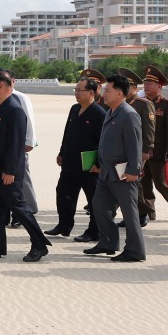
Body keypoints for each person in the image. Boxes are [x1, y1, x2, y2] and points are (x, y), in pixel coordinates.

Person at [0, 70, 51, 262]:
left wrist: (9, 170)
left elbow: (15, 144)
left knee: (20, 209)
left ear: (2, 85)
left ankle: (39, 244)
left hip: (6, 171)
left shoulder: (14, 109)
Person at [87, 74, 146, 262]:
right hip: (106, 172)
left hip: (123, 174)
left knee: (129, 214)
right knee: (99, 206)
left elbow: (135, 145)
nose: (104, 93)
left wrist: (133, 171)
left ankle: (135, 251)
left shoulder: (128, 114)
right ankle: (108, 242)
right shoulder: (111, 111)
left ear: (120, 93)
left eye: (108, 90)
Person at [45, 77, 105, 238]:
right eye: (76, 90)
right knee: (63, 193)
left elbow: (103, 141)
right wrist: (61, 153)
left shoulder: (99, 113)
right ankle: (64, 225)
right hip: (70, 162)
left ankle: (94, 231)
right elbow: (67, 133)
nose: (77, 93)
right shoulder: (74, 109)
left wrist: (98, 163)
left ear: (91, 93)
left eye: (80, 90)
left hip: (88, 165)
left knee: (93, 199)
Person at [108, 68, 155, 231]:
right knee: (124, 184)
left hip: (137, 151)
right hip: (123, 153)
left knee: (136, 185)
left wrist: (146, 151)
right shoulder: (122, 105)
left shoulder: (144, 104)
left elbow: (148, 130)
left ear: (134, 87)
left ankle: (142, 215)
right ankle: (130, 215)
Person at [140, 65, 168, 222]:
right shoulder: (142, 103)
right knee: (144, 184)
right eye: (145, 84)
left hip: (160, 152)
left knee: (162, 184)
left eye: (149, 84)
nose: (146, 86)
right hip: (143, 151)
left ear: (159, 86)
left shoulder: (167, 104)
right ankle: (148, 212)